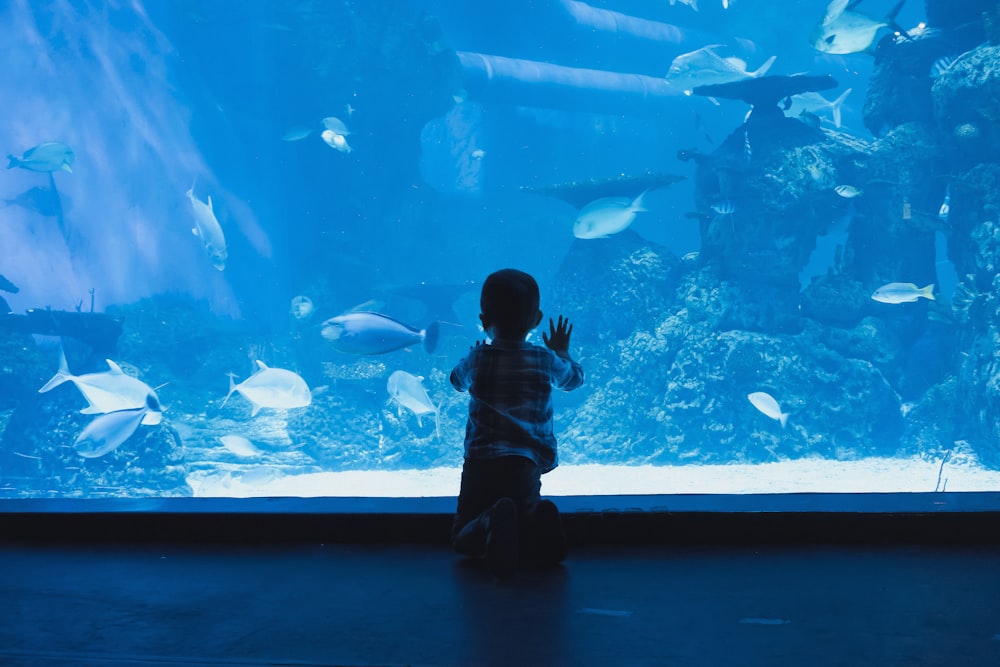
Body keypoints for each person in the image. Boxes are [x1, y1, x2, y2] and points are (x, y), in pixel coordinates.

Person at [449, 268, 585, 578]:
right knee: (522, 517)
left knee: (462, 536)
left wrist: (471, 358)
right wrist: (561, 350)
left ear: (483, 321)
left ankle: (488, 521)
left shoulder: (478, 358)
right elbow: (574, 380)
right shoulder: (544, 359)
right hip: (525, 462)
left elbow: (455, 381)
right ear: (536, 320)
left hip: (482, 462)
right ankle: (538, 520)